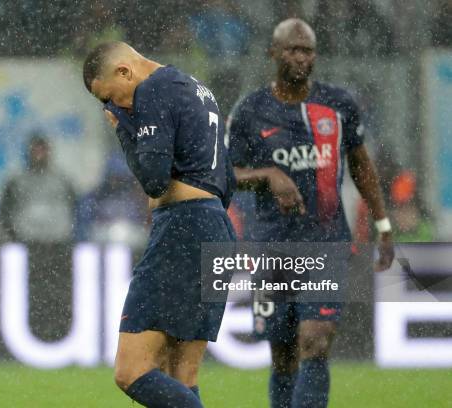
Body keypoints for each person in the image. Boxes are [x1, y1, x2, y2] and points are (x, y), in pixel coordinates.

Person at [227, 19, 394, 408]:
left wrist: (383, 224)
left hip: (326, 244)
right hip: (272, 247)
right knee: (283, 354)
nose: (301, 57)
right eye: (292, 49)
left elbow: (361, 165)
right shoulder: (251, 111)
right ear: (273, 53)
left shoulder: (338, 106)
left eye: (307, 50)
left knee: (315, 341)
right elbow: (227, 175)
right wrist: (268, 175)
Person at [83, 41, 236, 407]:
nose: (111, 106)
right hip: (216, 228)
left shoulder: (152, 90)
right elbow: (226, 178)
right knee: (180, 374)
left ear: (124, 71)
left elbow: (153, 180)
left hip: (184, 228)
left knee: (131, 370)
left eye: (108, 97)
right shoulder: (196, 88)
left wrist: (122, 129)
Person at [0, 134, 75, 244]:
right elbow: (5, 213)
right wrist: (13, 234)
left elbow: (74, 209)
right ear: (28, 153)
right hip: (25, 241)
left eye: (42, 150)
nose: (39, 155)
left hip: (57, 243)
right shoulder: (16, 183)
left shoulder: (62, 182)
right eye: (36, 151)